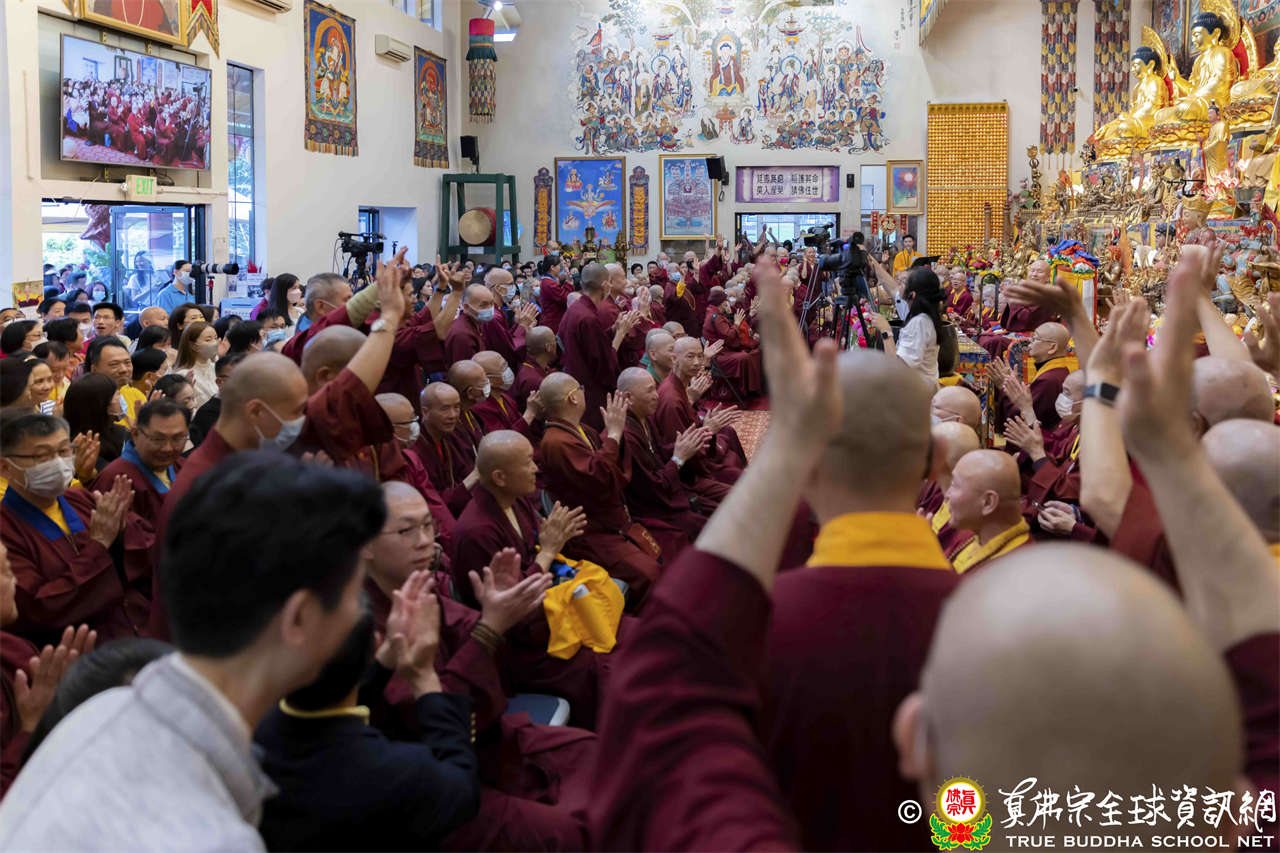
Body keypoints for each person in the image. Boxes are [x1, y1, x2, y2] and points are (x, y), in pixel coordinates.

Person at [0, 454, 385, 850]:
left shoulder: (101, 713)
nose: (364, 615)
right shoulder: (212, 840)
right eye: (356, 593)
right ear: (298, 619)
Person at [254, 604, 481, 852]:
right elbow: (463, 790)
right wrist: (423, 677)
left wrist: (384, 658)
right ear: (375, 643)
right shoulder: (396, 771)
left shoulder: (251, 728)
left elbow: (328, 699)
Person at [0, 412, 148, 645]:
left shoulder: (81, 498)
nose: (58, 463)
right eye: (42, 456)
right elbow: (38, 608)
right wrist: (99, 545)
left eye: (63, 451)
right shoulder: (5, 529)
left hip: (134, 626)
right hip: (75, 651)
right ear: (5, 467)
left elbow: (148, 550)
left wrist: (121, 532)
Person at [537, 372, 663, 598]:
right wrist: (613, 434)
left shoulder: (581, 429)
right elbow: (599, 480)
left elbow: (608, 468)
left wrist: (614, 436)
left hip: (611, 519)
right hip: (591, 532)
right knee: (649, 574)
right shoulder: (556, 442)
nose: (583, 392)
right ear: (573, 397)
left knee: (659, 555)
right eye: (580, 388)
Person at [616, 366, 709, 551]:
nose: (656, 396)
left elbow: (658, 453)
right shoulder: (626, 435)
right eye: (650, 391)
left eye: (655, 388)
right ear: (628, 397)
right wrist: (678, 458)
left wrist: (687, 444)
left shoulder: (644, 417)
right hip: (649, 505)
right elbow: (650, 487)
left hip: (669, 488)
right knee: (705, 525)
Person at [655, 337, 745, 506]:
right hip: (690, 475)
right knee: (743, 491)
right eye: (690, 357)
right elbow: (683, 451)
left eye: (700, 356)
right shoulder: (671, 400)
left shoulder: (680, 385)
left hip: (699, 457)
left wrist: (707, 425)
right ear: (674, 358)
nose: (697, 362)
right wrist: (708, 430)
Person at [559, 263, 637, 431]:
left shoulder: (576, 309)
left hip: (576, 379)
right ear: (605, 285)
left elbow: (591, 342)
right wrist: (621, 333)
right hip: (590, 389)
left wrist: (613, 329)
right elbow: (605, 364)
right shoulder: (587, 317)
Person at [374, 393, 456, 550]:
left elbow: (436, 507)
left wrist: (455, 544)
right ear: (389, 429)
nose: (415, 426)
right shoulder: (368, 467)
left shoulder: (410, 458)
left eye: (415, 419)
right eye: (409, 422)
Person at [92, 399, 188, 531]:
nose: (168, 448)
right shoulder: (115, 478)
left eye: (177, 439)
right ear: (135, 434)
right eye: (158, 439)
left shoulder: (184, 467)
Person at [943, 449, 1031, 572]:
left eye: (955, 485)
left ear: (988, 502)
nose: (947, 495)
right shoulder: (969, 536)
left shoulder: (1015, 570)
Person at [990, 321, 1074, 431]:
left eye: (1035, 339)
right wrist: (1014, 385)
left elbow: (1020, 419)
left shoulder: (1048, 381)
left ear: (1052, 348)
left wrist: (1004, 388)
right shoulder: (1059, 370)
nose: (1030, 342)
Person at [413, 382, 480, 517]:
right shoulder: (416, 449)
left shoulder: (451, 436)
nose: (453, 415)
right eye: (445, 409)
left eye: (457, 407)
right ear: (425, 412)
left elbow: (463, 472)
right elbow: (432, 501)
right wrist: (475, 475)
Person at [870, 265, 944, 386]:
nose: (899, 285)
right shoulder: (925, 316)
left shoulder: (919, 323)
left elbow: (898, 368)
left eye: (904, 283)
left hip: (918, 392)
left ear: (912, 295)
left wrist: (885, 330)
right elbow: (891, 286)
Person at [701, 289, 762, 398]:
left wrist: (747, 315)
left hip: (724, 350)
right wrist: (737, 324)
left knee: (754, 352)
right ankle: (746, 391)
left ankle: (751, 390)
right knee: (746, 357)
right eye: (726, 300)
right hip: (719, 354)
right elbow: (729, 336)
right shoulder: (716, 317)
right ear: (722, 302)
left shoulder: (714, 313)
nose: (728, 302)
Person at [62, 374, 130, 468]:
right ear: (101, 405)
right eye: (116, 395)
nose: (121, 399)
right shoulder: (82, 449)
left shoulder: (121, 433)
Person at [472, 350, 539, 435]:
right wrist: (530, 412)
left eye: (506, 364)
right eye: (503, 368)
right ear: (489, 380)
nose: (508, 370)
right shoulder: (481, 407)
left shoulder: (503, 396)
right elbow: (504, 439)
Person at [444, 283, 498, 364]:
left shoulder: (478, 322)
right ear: (466, 307)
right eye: (483, 305)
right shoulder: (462, 334)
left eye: (492, 303)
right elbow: (467, 369)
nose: (490, 308)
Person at [173, 321, 220, 409]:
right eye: (208, 340)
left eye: (216, 338)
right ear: (193, 346)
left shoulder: (216, 367)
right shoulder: (183, 375)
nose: (215, 343)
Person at [513, 325, 556, 411]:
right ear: (548, 347)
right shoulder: (533, 380)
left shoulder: (538, 366)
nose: (556, 344)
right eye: (554, 341)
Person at [536, 254, 572, 334]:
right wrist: (569, 284)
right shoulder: (549, 283)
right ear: (552, 267)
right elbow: (565, 298)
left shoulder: (548, 281)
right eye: (559, 265)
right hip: (553, 323)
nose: (560, 268)